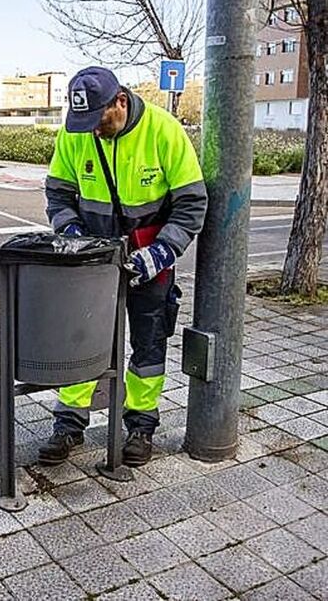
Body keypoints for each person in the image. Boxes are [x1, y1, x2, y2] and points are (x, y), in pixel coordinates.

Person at [40, 66, 207, 467]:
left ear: (120, 101)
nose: (94, 131)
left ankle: (140, 427)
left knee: (148, 346)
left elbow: (191, 203)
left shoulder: (164, 131)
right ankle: (69, 425)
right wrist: (74, 233)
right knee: (81, 340)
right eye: (85, 123)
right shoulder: (76, 133)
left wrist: (161, 253)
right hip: (93, 259)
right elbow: (58, 194)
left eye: (100, 120)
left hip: (150, 258)